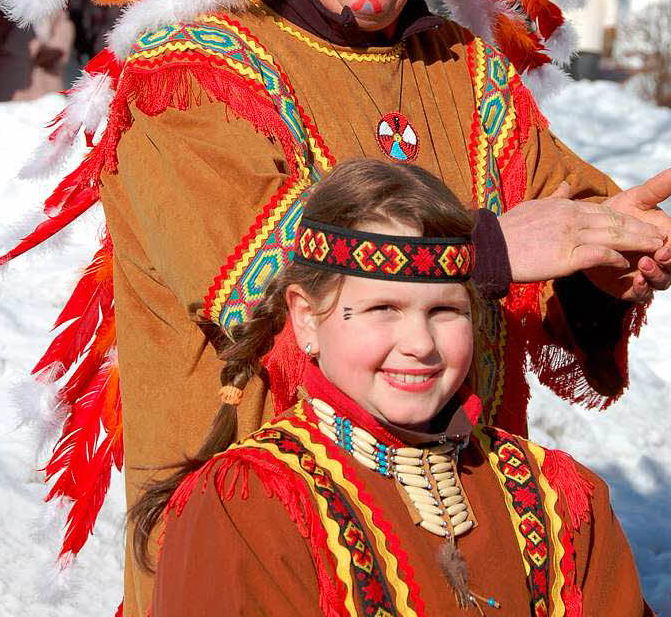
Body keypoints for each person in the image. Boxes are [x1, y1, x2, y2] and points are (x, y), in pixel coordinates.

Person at [0, 0, 671, 613]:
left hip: (462, 550)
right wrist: (487, 249)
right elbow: (253, 278)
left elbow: (561, 220)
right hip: (254, 545)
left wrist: (611, 262)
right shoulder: (190, 69)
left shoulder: (464, 70)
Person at [144, 160, 651, 616]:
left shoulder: (560, 498)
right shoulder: (251, 507)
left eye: (444, 310)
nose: (419, 344)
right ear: (306, 319)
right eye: (382, 309)